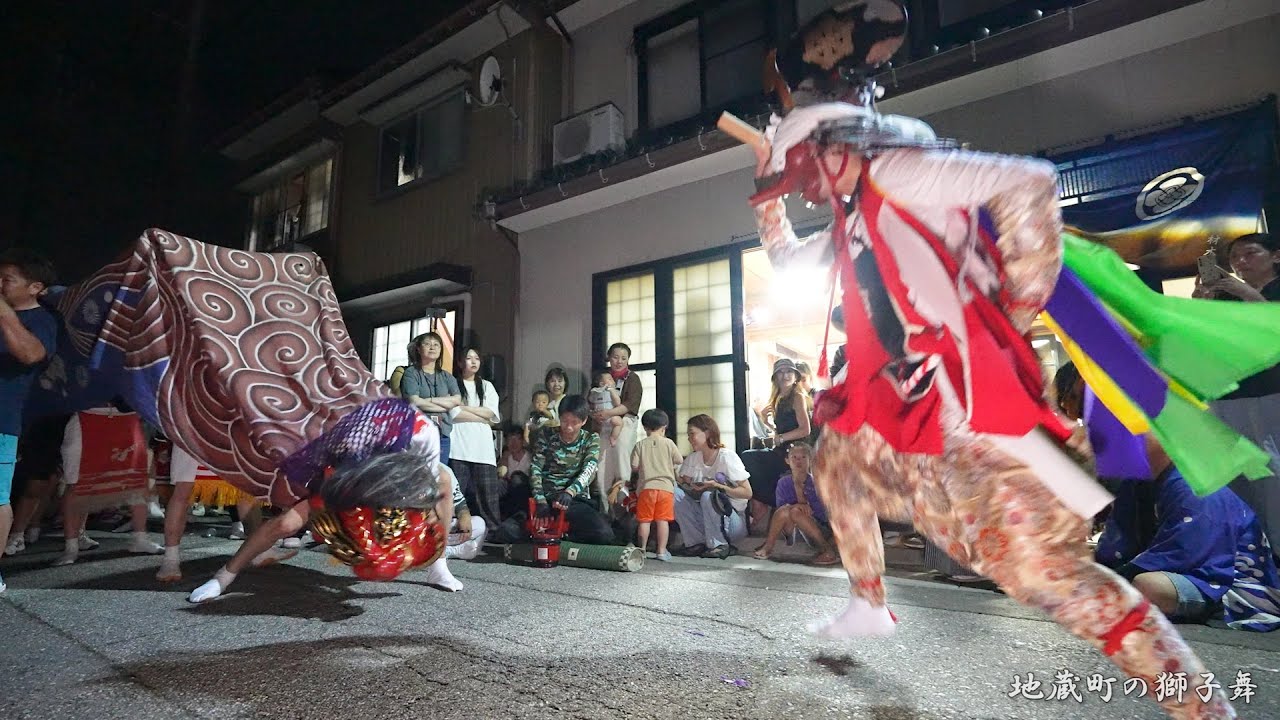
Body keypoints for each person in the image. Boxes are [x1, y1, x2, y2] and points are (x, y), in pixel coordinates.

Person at [744, 84, 1235, 716]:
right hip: (914, 401)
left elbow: (1028, 182)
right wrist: (765, 192)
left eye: (803, 167)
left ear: (836, 148)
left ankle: (1204, 706)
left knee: (1045, 577)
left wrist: (1013, 305)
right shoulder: (856, 217)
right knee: (838, 461)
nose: (802, 185)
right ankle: (869, 604)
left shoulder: (899, 169)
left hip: (972, 403)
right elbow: (786, 258)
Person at [1055, 363, 1280, 632]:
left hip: (1226, 587)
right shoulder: (1135, 480)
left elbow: (1187, 558)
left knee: (1147, 587)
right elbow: (1116, 548)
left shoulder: (1196, 485)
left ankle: (1212, 614)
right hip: (1181, 571)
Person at [190, 398, 461, 601]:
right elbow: (329, 470)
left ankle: (439, 564)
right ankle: (223, 577)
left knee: (444, 481)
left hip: (395, 485)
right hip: (346, 479)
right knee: (285, 525)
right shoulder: (353, 433)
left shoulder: (423, 433)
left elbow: (426, 483)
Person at [1193, 232, 1280, 542]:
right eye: (1234, 258)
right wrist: (1204, 301)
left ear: (1275, 256)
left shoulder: (1267, 291)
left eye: (1250, 254)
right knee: (1237, 469)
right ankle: (1254, 543)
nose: (1241, 262)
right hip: (1229, 390)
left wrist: (1244, 291)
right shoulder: (1229, 295)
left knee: (1271, 466)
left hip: (1271, 390)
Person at [0, 249, 58, 594]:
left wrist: (4, 311)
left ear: (35, 287)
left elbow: (31, 354)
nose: (0, 285)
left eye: (7, 280)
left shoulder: (42, 321)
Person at [492, 395, 616, 545]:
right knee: (506, 531)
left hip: (572, 500)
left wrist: (570, 492)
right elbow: (536, 467)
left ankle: (562, 535)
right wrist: (540, 500)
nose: (568, 427)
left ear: (583, 421)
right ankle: (542, 533)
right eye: (564, 421)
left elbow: (589, 470)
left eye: (574, 423)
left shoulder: (590, 440)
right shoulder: (546, 434)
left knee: (604, 534)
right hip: (545, 498)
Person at [54, 398, 164, 566]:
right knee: (76, 483)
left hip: (127, 416)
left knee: (135, 481)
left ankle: (140, 539)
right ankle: (71, 547)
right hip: (87, 415)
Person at [743, 358, 812, 529]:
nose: (785, 375)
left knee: (751, 459)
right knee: (749, 458)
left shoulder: (797, 396)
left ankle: (766, 503)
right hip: (782, 449)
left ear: (795, 376)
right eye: (780, 372)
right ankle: (766, 502)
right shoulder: (779, 397)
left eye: (789, 372)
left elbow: (805, 430)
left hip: (796, 450)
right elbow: (782, 431)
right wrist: (765, 422)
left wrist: (780, 439)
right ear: (775, 378)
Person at [673, 414, 753, 559]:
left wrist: (717, 486)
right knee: (674, 493)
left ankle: (719, 544)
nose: (689, 439)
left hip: (731, 521)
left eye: (692, 434)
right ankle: (694, 543)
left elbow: (747, 493)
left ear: (708, 433)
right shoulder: (693, 458)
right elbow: (683, 484)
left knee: (709, 495)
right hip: (705, 519)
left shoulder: (726, 457)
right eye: (688, 435)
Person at [751, 443, 839, 565]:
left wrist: (801, 501)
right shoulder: (783, 482)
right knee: (788, 510)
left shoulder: (816, 482)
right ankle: (768, 546)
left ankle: (827, 550)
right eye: (794, 457)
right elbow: (780, 511)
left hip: (817, 530)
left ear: (810, 459)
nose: (799, 461)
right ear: (787, 460)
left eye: (803, 457)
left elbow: (821, 513)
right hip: (791, 528)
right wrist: (797, 505)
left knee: (795, 511)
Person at [450, 346, 502, 528]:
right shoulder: (452, 384)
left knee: (488, 494)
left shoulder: (487, 386)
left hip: (482, 449)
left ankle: (494, 532)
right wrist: (480, 417)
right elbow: (452, 413)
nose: (473, 361)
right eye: (468, 358)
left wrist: (464, 408)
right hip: (458, 447)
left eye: (476, 358)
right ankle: (450, 529)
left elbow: (491, 413)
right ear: (459, 362)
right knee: (456, 492)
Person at [400, 332, 462, 465]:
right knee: (419, 475)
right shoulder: (411, 373)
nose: (432, 347)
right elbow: (413, 401)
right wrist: (445, 403)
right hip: (418, 433)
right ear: (418, 349)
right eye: (427, 344)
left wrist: (429, 400)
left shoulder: (447, 376)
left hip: (442, 433)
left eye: (436, 345)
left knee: (440, 474)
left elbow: (457, 400)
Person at [593, 343, 642, 508]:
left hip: (625, 421)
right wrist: (597, 415)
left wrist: (609, 413)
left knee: (621, 453)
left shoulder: (632, 378)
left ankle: (623, 494)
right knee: (602, 461)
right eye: (615, 357)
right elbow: (591, 402)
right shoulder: (602, 378)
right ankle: (605, 505)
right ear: (609, 358)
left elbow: (629, 405)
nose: (619, 361)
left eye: (623, 358)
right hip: (603, 425)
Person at [630, 408, 682, 561]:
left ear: (645, 427)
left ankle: (642, 550)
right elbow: (679, 460)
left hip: (647, 488)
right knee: (662, 520)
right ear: (664, 427)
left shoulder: (640, 445)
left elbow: (634, 466)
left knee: (644, 521)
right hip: (666, 488)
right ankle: (661, 551)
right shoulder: (669, 443)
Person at [587, 368, 624, 447]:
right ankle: (594, 439)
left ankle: (613, 437)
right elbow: (590, 400)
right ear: (601, 383)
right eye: (610, 379)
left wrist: (612, 391)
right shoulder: (595, 391)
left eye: (612, 379)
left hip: (610, 416)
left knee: (618, 422)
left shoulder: (613, 391)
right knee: (595, 427)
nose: (613, 381)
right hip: (598, 417)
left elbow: (618, 403)